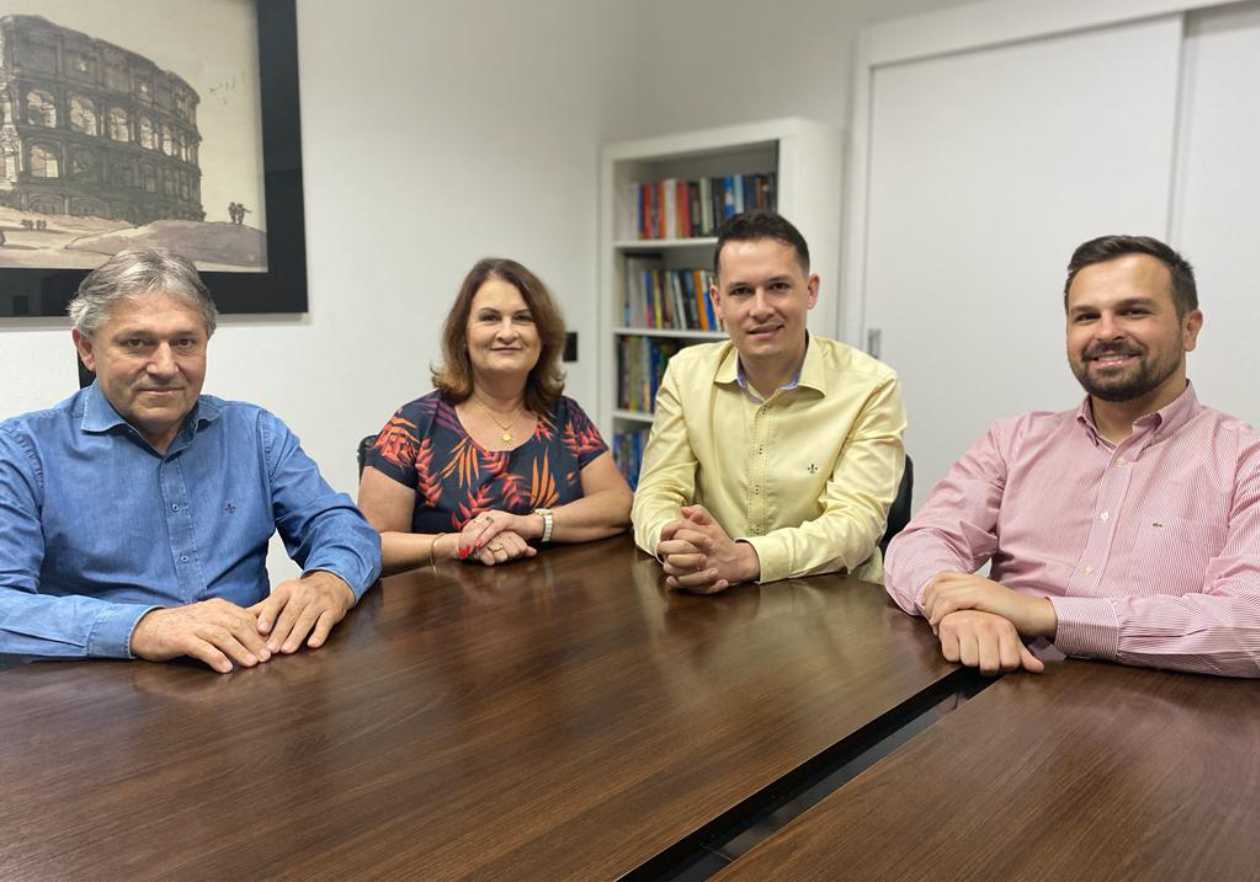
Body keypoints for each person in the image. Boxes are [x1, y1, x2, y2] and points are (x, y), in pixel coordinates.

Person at [885, 234, 1260, 678]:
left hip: (1160, 701)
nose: (1106, 332)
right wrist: (955, 604)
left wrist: (1045, 614)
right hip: (1002, 684)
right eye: (1086, 316)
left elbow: (1249, 623)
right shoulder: (1013, 440)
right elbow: (923, 541)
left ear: (1190, 328)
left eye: (1133, 311)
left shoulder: (1245, 460)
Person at [0, 248, 381, 674]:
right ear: (87, 349)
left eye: (184, 342)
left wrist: (331, 580)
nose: (165, 366)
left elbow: (341, 526)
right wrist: (142, 627)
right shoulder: (22, 451)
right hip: (102, 692)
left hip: (250, 674)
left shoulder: (255, 432)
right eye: (137, 343)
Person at [631, 211, 907, 593]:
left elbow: (855, 525)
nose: (760, 308)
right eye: (741, 291)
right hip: (713, 592)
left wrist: (745, 558)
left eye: (777, 286)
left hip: (832, 598)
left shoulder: (871, 386)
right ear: (717, 302)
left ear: (810, 291)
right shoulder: (685, 373)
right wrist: (677, 542)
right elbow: (656, 490)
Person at [358, 257, 632, 573]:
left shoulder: (566, 416)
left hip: (556, 598)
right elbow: (369, 543)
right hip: (444, 601)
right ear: (463, 335)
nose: (507, 332)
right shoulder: (413, 425)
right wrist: (459, 544)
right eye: (490, 318)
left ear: (542, 336)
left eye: (523, 318)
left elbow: (619, 503)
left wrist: (531, 524)